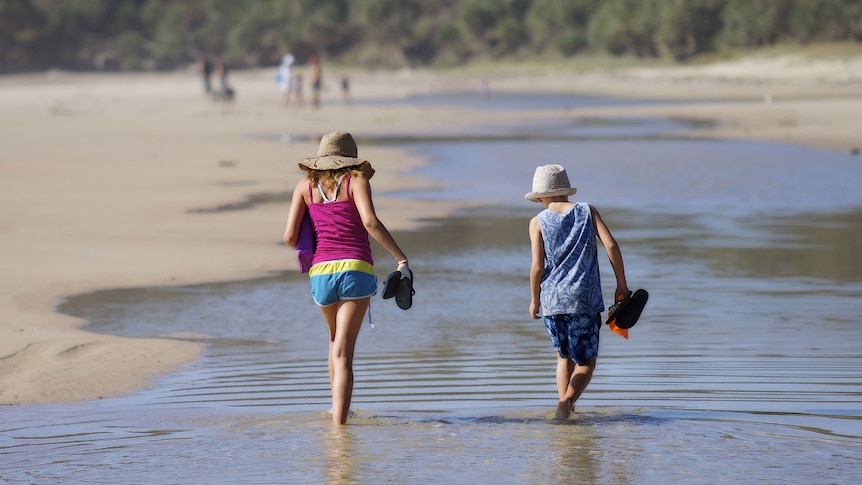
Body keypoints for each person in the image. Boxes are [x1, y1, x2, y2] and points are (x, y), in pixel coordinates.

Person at [283, 131, 410, 425]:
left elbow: (289, 237)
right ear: (350, 159)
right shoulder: (357, 182)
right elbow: (369, 222)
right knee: (344, 353)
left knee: (334, 343)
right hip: (355, 269)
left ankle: (337, 410)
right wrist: (400, 257)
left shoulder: (305, 187)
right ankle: (340, 428)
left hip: (321, 273)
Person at [526, 164, 628, 420]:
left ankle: (565, 410)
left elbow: (537, 267)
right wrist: (621, 284)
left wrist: (534, 300)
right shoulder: (586, 210)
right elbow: (611, 245)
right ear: (566, 191)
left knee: (563, 357)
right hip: (584, 298)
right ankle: (568, 402)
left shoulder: (537, 222)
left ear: (539, 197)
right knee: (585, 362)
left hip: (552, 299)